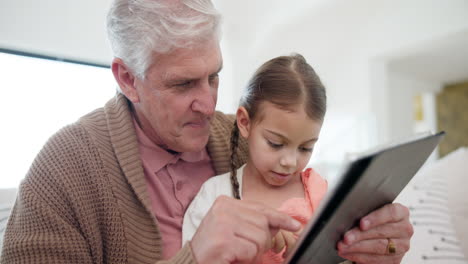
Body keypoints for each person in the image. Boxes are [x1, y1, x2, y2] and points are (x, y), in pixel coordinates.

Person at [0, 0, 413, 263]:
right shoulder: (66, 167)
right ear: (127, 78)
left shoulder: (246, 141)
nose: (207, 102)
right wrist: (194, 257)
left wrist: (375, 244)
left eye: (214, 76)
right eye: (182, 84)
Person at [182, 54, 328, 264]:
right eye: (276, 144)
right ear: (244, 122)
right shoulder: (214, 197)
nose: (290, 161)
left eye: (306, 148)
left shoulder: (318, 192)